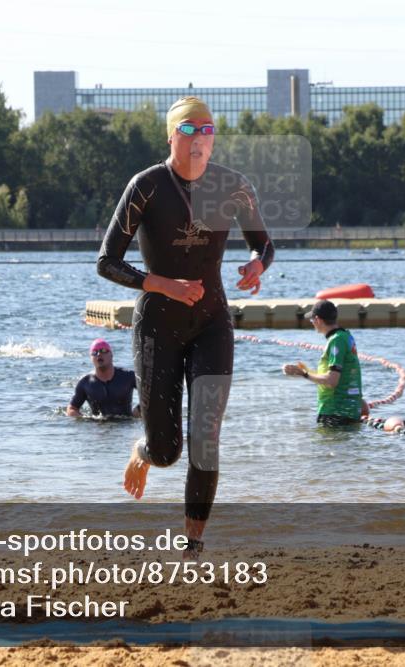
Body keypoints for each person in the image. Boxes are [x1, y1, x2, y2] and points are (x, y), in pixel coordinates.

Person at [96, 96, 274, 558]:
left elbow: (264, 244)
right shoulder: (146, 187)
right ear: (171, 136)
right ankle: (144, 450)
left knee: (206, 439)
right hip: (157, 326)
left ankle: (192, 544)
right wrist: (162, 285)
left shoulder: (234, 187)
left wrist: (257, 265)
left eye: (208, 130)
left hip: (212, 323)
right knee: (167, 449)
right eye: (190, 130)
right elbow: (106, 262)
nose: (200, 139)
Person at [283, 300, 365, 427]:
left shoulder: (336, 340)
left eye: (312, 321)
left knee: (326, 445)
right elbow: (345, 374)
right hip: (349, 411)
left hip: (335, 411)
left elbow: (332, 381)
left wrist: (304, 374)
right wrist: (307, 371)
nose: (312, 324)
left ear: (318, 320)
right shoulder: (346, 336)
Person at [67, 339, 140, 419]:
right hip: (99, 427)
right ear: (91, 358)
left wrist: (139, 410)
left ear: (111, 354)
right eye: (94, 352)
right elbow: (72, 409)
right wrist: (86, 422)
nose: (99, 354)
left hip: (125, 426)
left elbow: (152, 395)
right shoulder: (85, 383)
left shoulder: (129, 376)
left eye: (103, 350)